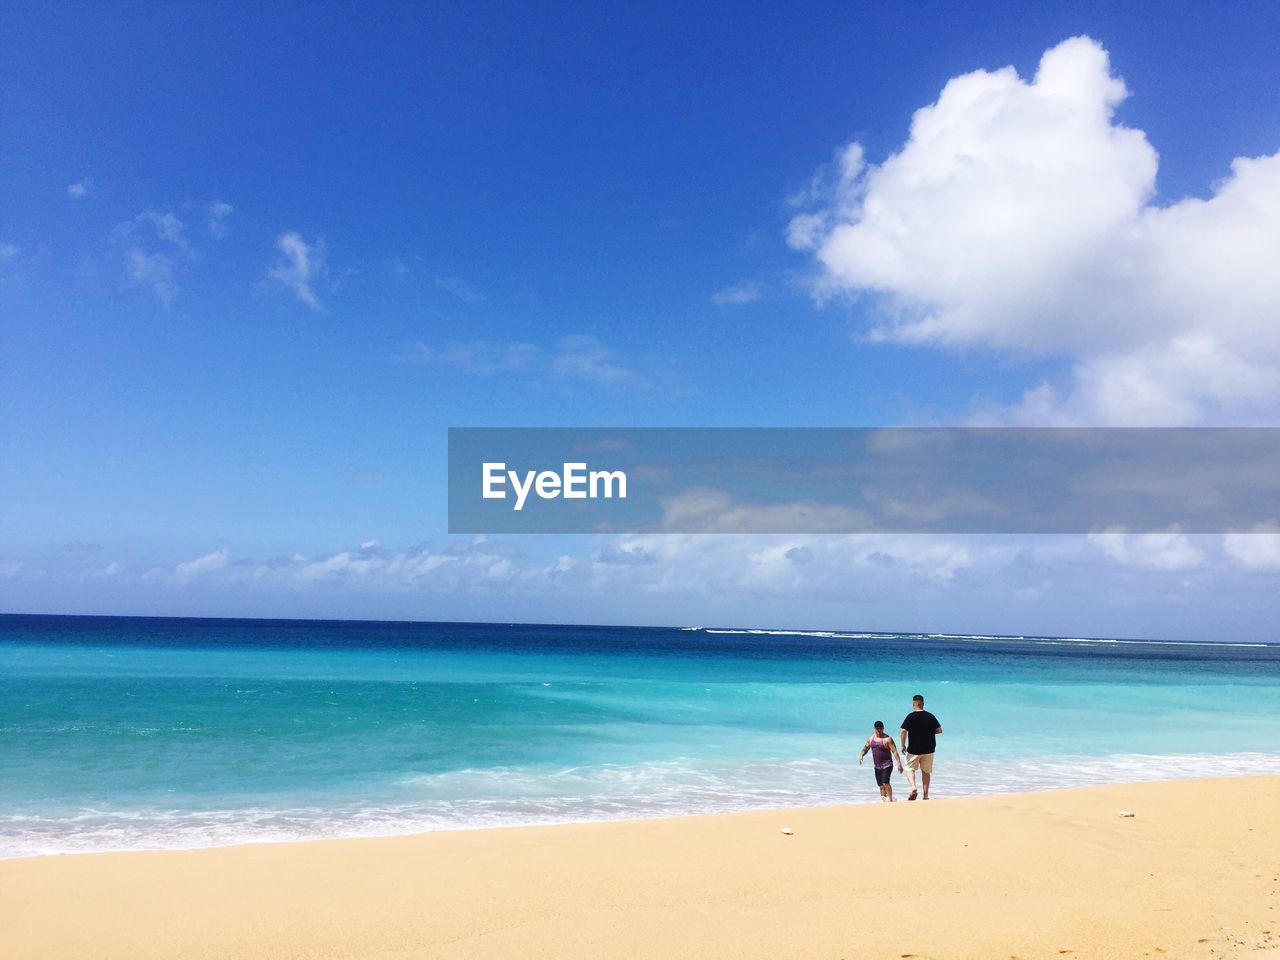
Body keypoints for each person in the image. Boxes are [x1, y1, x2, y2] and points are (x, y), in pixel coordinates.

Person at [899, 694, 942, 801]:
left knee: (909, 768)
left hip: (914, 749)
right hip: (929, 749)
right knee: (926, 772)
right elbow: (939, 730)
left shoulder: (911, 716)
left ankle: (913, 787)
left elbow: (903, 730)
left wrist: (903, 745)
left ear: (913, 704)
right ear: (923, 704)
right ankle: (925, 796)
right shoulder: (930, 716)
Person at [857, 720, 904, 801]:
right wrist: (861, 755)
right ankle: (884, 800)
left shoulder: (888, 739)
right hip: (877, 766)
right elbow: (866, 748)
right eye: (877, 728)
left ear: (883, 728)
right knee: (881, 785)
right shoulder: (871, 739)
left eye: (881, 728)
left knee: (885, 782)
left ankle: (890, 799)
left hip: (887, 764)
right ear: (874, 728)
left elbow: (894, 751)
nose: (879, 730)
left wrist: (899, 764)